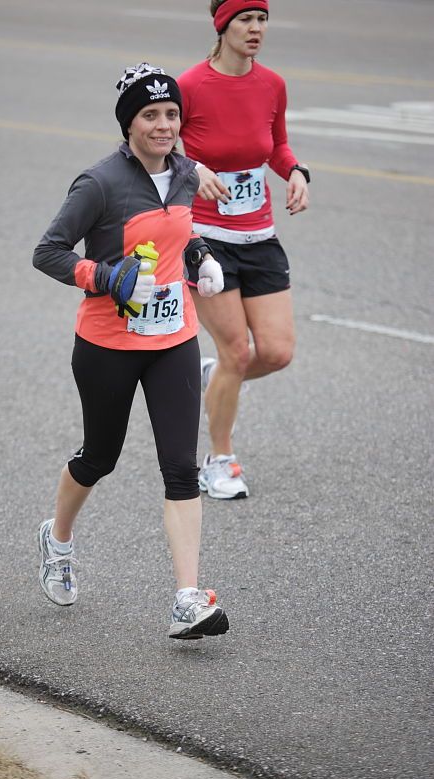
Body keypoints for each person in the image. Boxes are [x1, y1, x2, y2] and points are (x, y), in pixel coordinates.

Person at [32, 62, 229, 640]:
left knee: (180, 468)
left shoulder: (188, 173)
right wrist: (108, 278)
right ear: (129, 124)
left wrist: (200, 258)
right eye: (151, 116)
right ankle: (58, 538)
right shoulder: (98, 184)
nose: (164, 125)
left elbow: (180, 231)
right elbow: (48, 252)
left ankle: (187, 599)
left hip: (174, 340)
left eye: (172, 114)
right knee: (100, 456)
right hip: (107, 344)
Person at [177, 0, 310, 500]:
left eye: (262, 20)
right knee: (236, 351)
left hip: (260, 238)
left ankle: (219, 379)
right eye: (245, 20)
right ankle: (219, 461)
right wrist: (193, 169)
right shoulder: (191, 86)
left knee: (275, 352)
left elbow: (275, 145)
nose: (256, 29)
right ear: (222, 24)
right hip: (206, 241)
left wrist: (296, 171)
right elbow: (160, 147)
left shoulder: (272, 84)